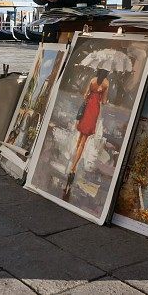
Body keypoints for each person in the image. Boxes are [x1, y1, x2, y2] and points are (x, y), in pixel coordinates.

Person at [63, 67, 109, 200]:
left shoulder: (93, 80)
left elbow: (85, 95)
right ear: (106, 73)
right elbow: (104, 101)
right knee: (84, 141)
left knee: (80, 139)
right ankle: (74, 167)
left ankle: (72, 162)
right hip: (94, 110)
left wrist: (90, 95)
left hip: (88, 107)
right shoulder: (106, 83)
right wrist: (104, 100)